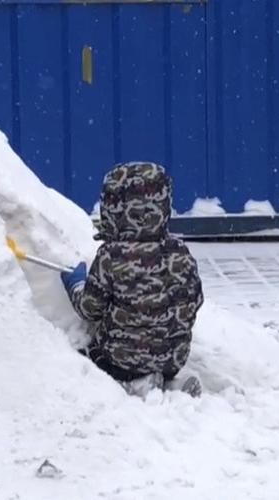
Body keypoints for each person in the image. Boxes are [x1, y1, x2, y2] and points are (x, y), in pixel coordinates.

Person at [61, 162, 204, 398]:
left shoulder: (112, 256)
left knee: (88, 353)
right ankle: (170, 383)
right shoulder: (180, 252)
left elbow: (89, 310)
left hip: (122, 360)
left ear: (114, 208)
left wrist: (75, 283)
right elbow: (195, 300)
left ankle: (134, 385)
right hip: (173, 357)